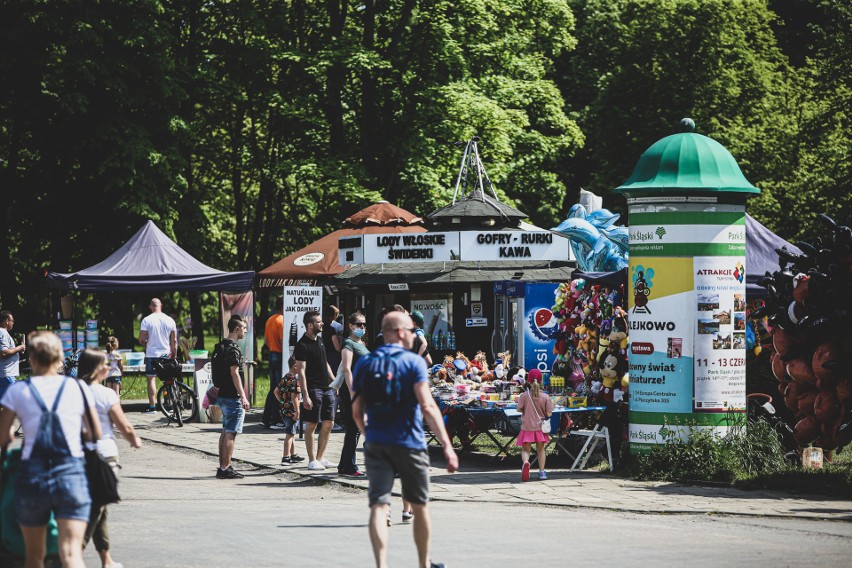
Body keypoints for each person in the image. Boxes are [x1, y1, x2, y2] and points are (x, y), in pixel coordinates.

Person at [352, 311, 458, 568]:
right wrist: (447, 445)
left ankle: (381, 565)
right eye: (411, 331)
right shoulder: (413, 363)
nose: (413, 335)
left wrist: (370, 435)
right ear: (400, 333)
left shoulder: (365, 362)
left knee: (379, 505)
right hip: (410, 442)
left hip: (377, 442)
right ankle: (423, 564)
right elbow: (428, 407)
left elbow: (356, 411)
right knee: (420, 506)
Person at [0, 331, 102, 568]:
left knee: (34, 556)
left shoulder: (18, 391)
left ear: (32, 358)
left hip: (32, 476)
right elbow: (94, 433)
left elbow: (3, 437)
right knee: (71, 554)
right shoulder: (78, 389)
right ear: (58, 358)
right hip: (71, 473)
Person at [77, 348, 142, 568]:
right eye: (105, 365)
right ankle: (71, 554)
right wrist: (134, 439)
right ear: (96, 369)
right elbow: (123, 425)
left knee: (100, 506)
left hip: (77, 454)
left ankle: (106, 559)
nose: (108, 367)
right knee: (97, 505)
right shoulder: (106, 394)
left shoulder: (72, 390)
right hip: (104, 455)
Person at [294, 309, 336, 471]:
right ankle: (312, 460)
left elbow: (325, 363)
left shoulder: (320, 339)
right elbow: (301, 372)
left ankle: (320, 458)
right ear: (310, 325)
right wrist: (305, 395)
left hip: (327, 388)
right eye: (319, 322)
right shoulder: (302, 345)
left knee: (329, 423)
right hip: (313, 388)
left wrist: (335, 381)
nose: (322, 323)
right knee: (311, 424)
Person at [212, 315, 250, 479]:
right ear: (237, 329)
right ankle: (225, 467)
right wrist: (243, 396)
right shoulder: (232, 349)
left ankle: (222, 467)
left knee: (225, 430)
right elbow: (235, 373)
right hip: (232, 396)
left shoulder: (220, 346)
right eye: (244, 328)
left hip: (222, 393)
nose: (245, 330)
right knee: (231, 432)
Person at [336, 311, 369, 478]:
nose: (362, 327)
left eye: (363, 324)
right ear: (350, 326)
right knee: (355, 429)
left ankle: (345, 465)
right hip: (353, 393)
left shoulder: (361, 343)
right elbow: (346, 369)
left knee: (355, 430)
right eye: (358, 324)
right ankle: (348, 466)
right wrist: (352, 392)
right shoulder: (349, 344)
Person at [137, 298, 177, 413]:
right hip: (166, 354)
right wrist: (174, 355)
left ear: (150, 306)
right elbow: (174, 341)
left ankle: (152, 407)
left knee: (151, 379)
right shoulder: (170, 320)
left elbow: (141, 339)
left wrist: (144, 341)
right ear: (161, 305)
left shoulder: (146, 320)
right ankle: (170, 404)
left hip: (152, 354)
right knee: (169, 379)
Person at [516, 368, 553, 481]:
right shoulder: (546, 397)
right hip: (540, 428)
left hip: (527, 427)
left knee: (526, 449)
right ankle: (542, 472)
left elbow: (518, 410)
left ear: (528, 381)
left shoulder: (524, 396)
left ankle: (526, 462)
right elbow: (549, 414)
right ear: (541, 381)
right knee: (540, 450)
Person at [274, 356, 304, 464]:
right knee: (290, 434)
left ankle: (293, 454)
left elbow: (275, 391)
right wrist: (297, 410)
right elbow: (294, 397)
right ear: (295, 366)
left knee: (292, 433)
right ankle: (285, 457)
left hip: (284, 409)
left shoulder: (285, 378)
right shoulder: (295, 380)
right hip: (292, 410)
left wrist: (282, 401)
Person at [0, 310, 25, 402]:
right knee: (14, 402)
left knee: (5, 403)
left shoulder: (3, 333)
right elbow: (3, 352)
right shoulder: (2, 332)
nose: (13, 323)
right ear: (7, 320)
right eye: (12, 321)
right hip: (7, 375)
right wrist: (19, 348)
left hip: (5, 374)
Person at [264, 297, 284, 391]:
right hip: (280, 355)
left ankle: (270, 405)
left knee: (273, 386)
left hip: (271, 354)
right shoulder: (282, 320)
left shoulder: (269, 319)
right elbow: (282, 341)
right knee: (280, 386)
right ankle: (277, 405)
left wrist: (273, 347)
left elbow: (266, 341)